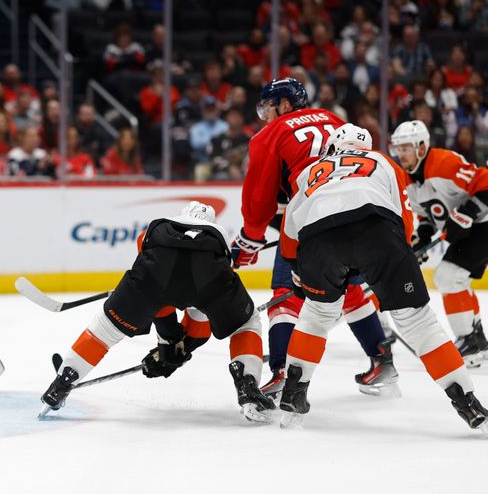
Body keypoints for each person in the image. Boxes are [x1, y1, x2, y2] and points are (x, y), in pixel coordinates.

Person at [279, 123, 488, 432]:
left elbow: (290, 229)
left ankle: (293, 395)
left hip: (317, 241)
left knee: (316, 315)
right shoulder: (382, 161)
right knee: (417, 321)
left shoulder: (311, 170)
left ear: (333, 149)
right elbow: (403, 216)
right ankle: (467, 403)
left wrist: (297, 268)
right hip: (375, 232)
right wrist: (397, 257)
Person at [41, 202, 274, 422]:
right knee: (246, 323)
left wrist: (168, 340)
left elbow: (159, 293)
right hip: (208, 275)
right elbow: (201, 314)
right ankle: (247, 385)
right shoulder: (218, 237)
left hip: (152, 275)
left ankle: (62, 381)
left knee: (105, 329)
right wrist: (178, 346)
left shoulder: (156, 229)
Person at [231, 77, 391, 398]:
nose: (266, 115)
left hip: (315, 216)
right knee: (350, 287)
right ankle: (382, 359)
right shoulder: (333, 119)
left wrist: (250, 238)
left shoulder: (270, 134)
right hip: (361, 212)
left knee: (285, 292)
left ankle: (279, 370)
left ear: (286, 105)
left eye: (270, 107)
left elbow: (259, 199)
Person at [390, 120, 488, 366]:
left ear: (422, 147)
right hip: (473, 229)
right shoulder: (407, 179)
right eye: (398, 149)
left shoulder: (445, 164)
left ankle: (468, 340)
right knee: (457, 279)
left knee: (446, 277)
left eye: (406, 148)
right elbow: (428, 216)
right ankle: (476, 340)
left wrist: (466, 212)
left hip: (484, 222)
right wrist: (421, 237)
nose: (401, 154)